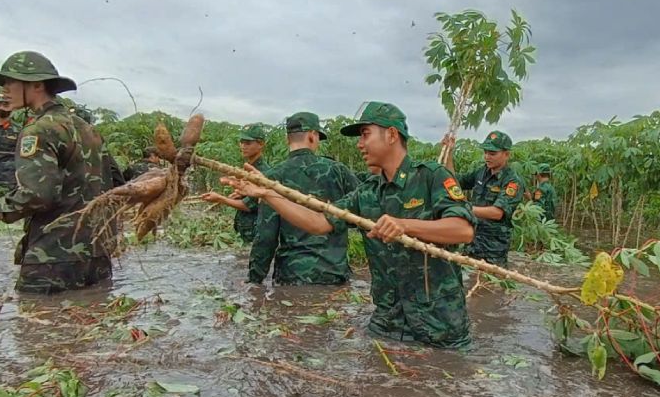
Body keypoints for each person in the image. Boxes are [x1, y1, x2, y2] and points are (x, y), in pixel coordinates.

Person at [223, 101, 475, 348]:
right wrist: (268, 194)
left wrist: (405, 225)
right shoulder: (365, 193)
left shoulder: (430, 176)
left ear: (391, 134)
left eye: (365, 134)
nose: (360, 144)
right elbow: (319, 223)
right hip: (386, 322)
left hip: (439, 324)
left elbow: (463, 230)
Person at [0, 51, 111, 293]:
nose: (3, 89)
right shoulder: (88, 129)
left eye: (9, 82)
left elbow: (38, 194)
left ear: (36, 85)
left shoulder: (38, 129)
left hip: (53, 256)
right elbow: (114, 184)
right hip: (97, 253)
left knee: (33, 323)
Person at [247, 111, 359, 285]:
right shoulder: (338, 170)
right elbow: (363, 213)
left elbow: (265, 237)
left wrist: (254, 281)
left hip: (291, 275)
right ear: (313, 136)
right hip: (334, 272)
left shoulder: (273, 177)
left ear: (287, 139)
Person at [442, 130, 523, 265]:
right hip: (472, 240)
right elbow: (454, 182)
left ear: (506, 154)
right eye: (485, 152)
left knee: (491, 283)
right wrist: (449, 153)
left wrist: (465, 207)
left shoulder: (512, 181)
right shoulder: (481, 172)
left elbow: (497, 213)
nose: (487, 157)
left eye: (492, 154)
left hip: (493, 247)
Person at [200, 123, 270, 242]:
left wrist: (220, 199)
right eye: (241, 142)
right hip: (247, 232)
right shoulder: (247, 169)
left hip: (256, 234)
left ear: (261, 144)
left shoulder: (262, 173)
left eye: (248, 143)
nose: (243, 146)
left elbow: (247, 206)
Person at [72, 105, 126, 189]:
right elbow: (113, 168)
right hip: (100, 193)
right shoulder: (97, 139)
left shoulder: (66, 137)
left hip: (75, 196)